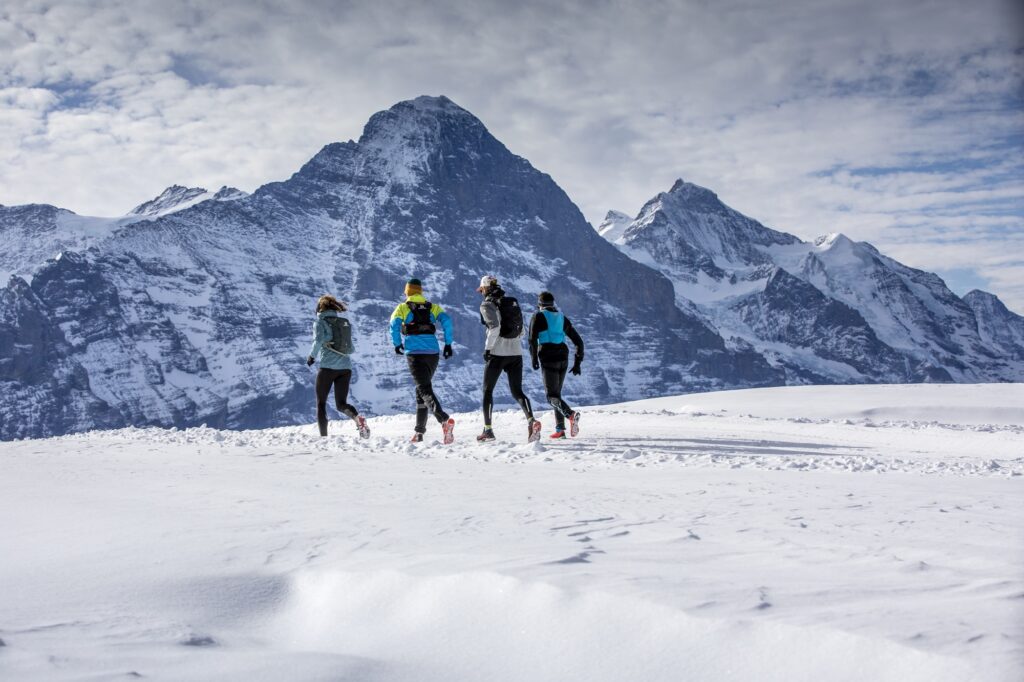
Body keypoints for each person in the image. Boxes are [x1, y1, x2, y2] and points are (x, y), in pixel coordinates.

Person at [389, 277, 456, 444]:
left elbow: (394, 325)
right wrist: (448, 343)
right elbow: (447, 321)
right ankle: (419, 433)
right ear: (420, 291)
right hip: (433, 352)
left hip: (414, 353)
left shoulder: (403, 307)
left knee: (424, 389)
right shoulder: (432, 307)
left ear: (407, 292)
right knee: (421, 392)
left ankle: (444, 420)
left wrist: (397, 344)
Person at [476, 275, 541, 442]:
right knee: (517, 391)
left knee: (487, 391)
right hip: (516, 352)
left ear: (485, 289)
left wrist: (488, 349)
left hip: (497, 353)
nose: (481, 292)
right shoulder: (511, 301)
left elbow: (494, 327)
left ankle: (488, 430)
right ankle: (531, 421)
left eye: (481, 289)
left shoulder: (487, 304)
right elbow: (521, 330)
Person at [306, 294, 370, 438]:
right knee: (341, 404)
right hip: (345, 368)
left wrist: (311, 356)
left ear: (320, 308)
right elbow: (351, 349)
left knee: (321, 403)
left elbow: (317, 340)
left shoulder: (320, 322)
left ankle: (323, 437)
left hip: (328, 368)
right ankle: (358, 419)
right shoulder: (343, 323)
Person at [528, 291, 584, 439]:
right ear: (552, 304)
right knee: (557, 395)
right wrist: (577, 362)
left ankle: (570, 415)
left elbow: (532, 340)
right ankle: (560, 430)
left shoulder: (538, 316)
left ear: (539, 305)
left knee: (551, 396)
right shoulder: (562, 318)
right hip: (563, 359)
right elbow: (579, 342)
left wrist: (533, 358)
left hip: (548, 357)